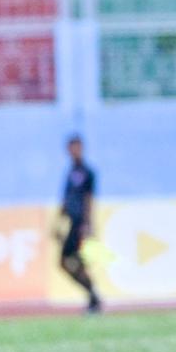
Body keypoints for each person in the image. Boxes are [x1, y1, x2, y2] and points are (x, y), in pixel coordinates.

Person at [56, 134, 102, 314]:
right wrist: (58, 223)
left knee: (75, 262)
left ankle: (94, 299)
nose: (74, 150)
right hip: (70, 224)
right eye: (71, 147)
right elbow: (66, 201)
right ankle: (93, 297)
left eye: (76, 147)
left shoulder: (87, 172)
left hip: (79, 225)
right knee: (67, 263)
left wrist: (88, 225)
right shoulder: (70, 172)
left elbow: (88, 199)